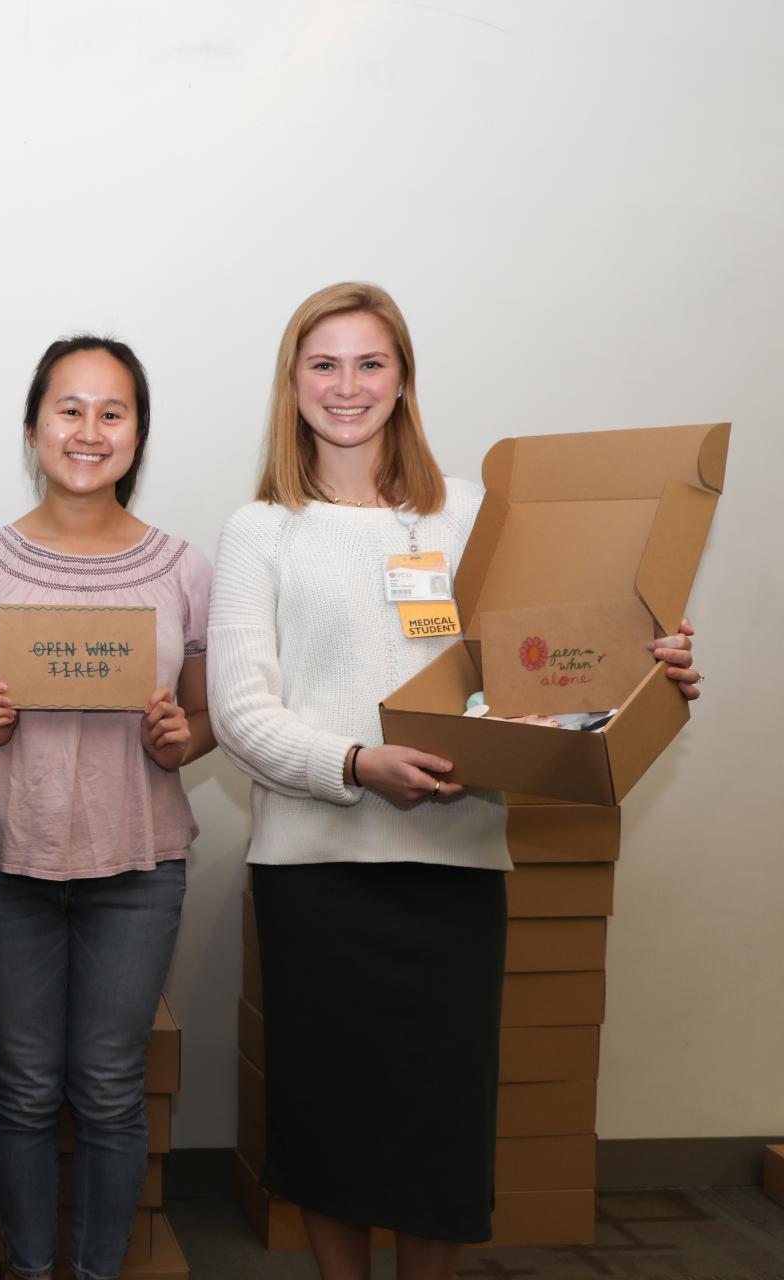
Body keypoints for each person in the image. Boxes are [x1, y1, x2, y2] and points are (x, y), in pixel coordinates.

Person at [207, 281, 701, 1280]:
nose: (348, 385)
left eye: (371, 362)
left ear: (404, 379)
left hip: (456, 867)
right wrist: (357, 763)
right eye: (325, 363)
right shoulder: (261, 529)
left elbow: (545, 666)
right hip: (319, 875)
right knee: (335, 1122)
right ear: (293, 383)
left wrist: (649, 665)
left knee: (439, 1124)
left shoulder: (478, 519)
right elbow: (241, 712)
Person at [0, 337, 211, 1280]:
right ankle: (26, 1270)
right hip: (6, 862)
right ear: (32, 427)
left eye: (112, 412)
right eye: (69, 409)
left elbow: (207, 722)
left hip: (140, 866)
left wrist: (181, 738)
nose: (88, 431)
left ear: (138, 434)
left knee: (109, 1089)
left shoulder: (183, 568)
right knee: (19, 1089)